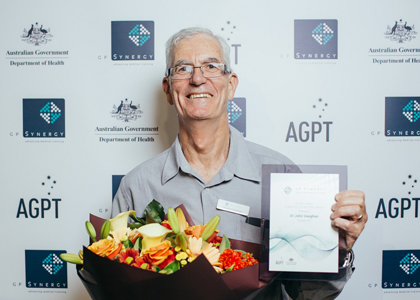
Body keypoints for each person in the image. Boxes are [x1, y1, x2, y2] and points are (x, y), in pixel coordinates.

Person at [112, 27, 367, 299]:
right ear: (167, 88)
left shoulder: (282, 176)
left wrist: (336, 251)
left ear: (231, 84)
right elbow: (117, 288)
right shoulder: (137, 187)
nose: (197, 79)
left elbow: (306, 295)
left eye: (211, 66)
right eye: (183, 68)